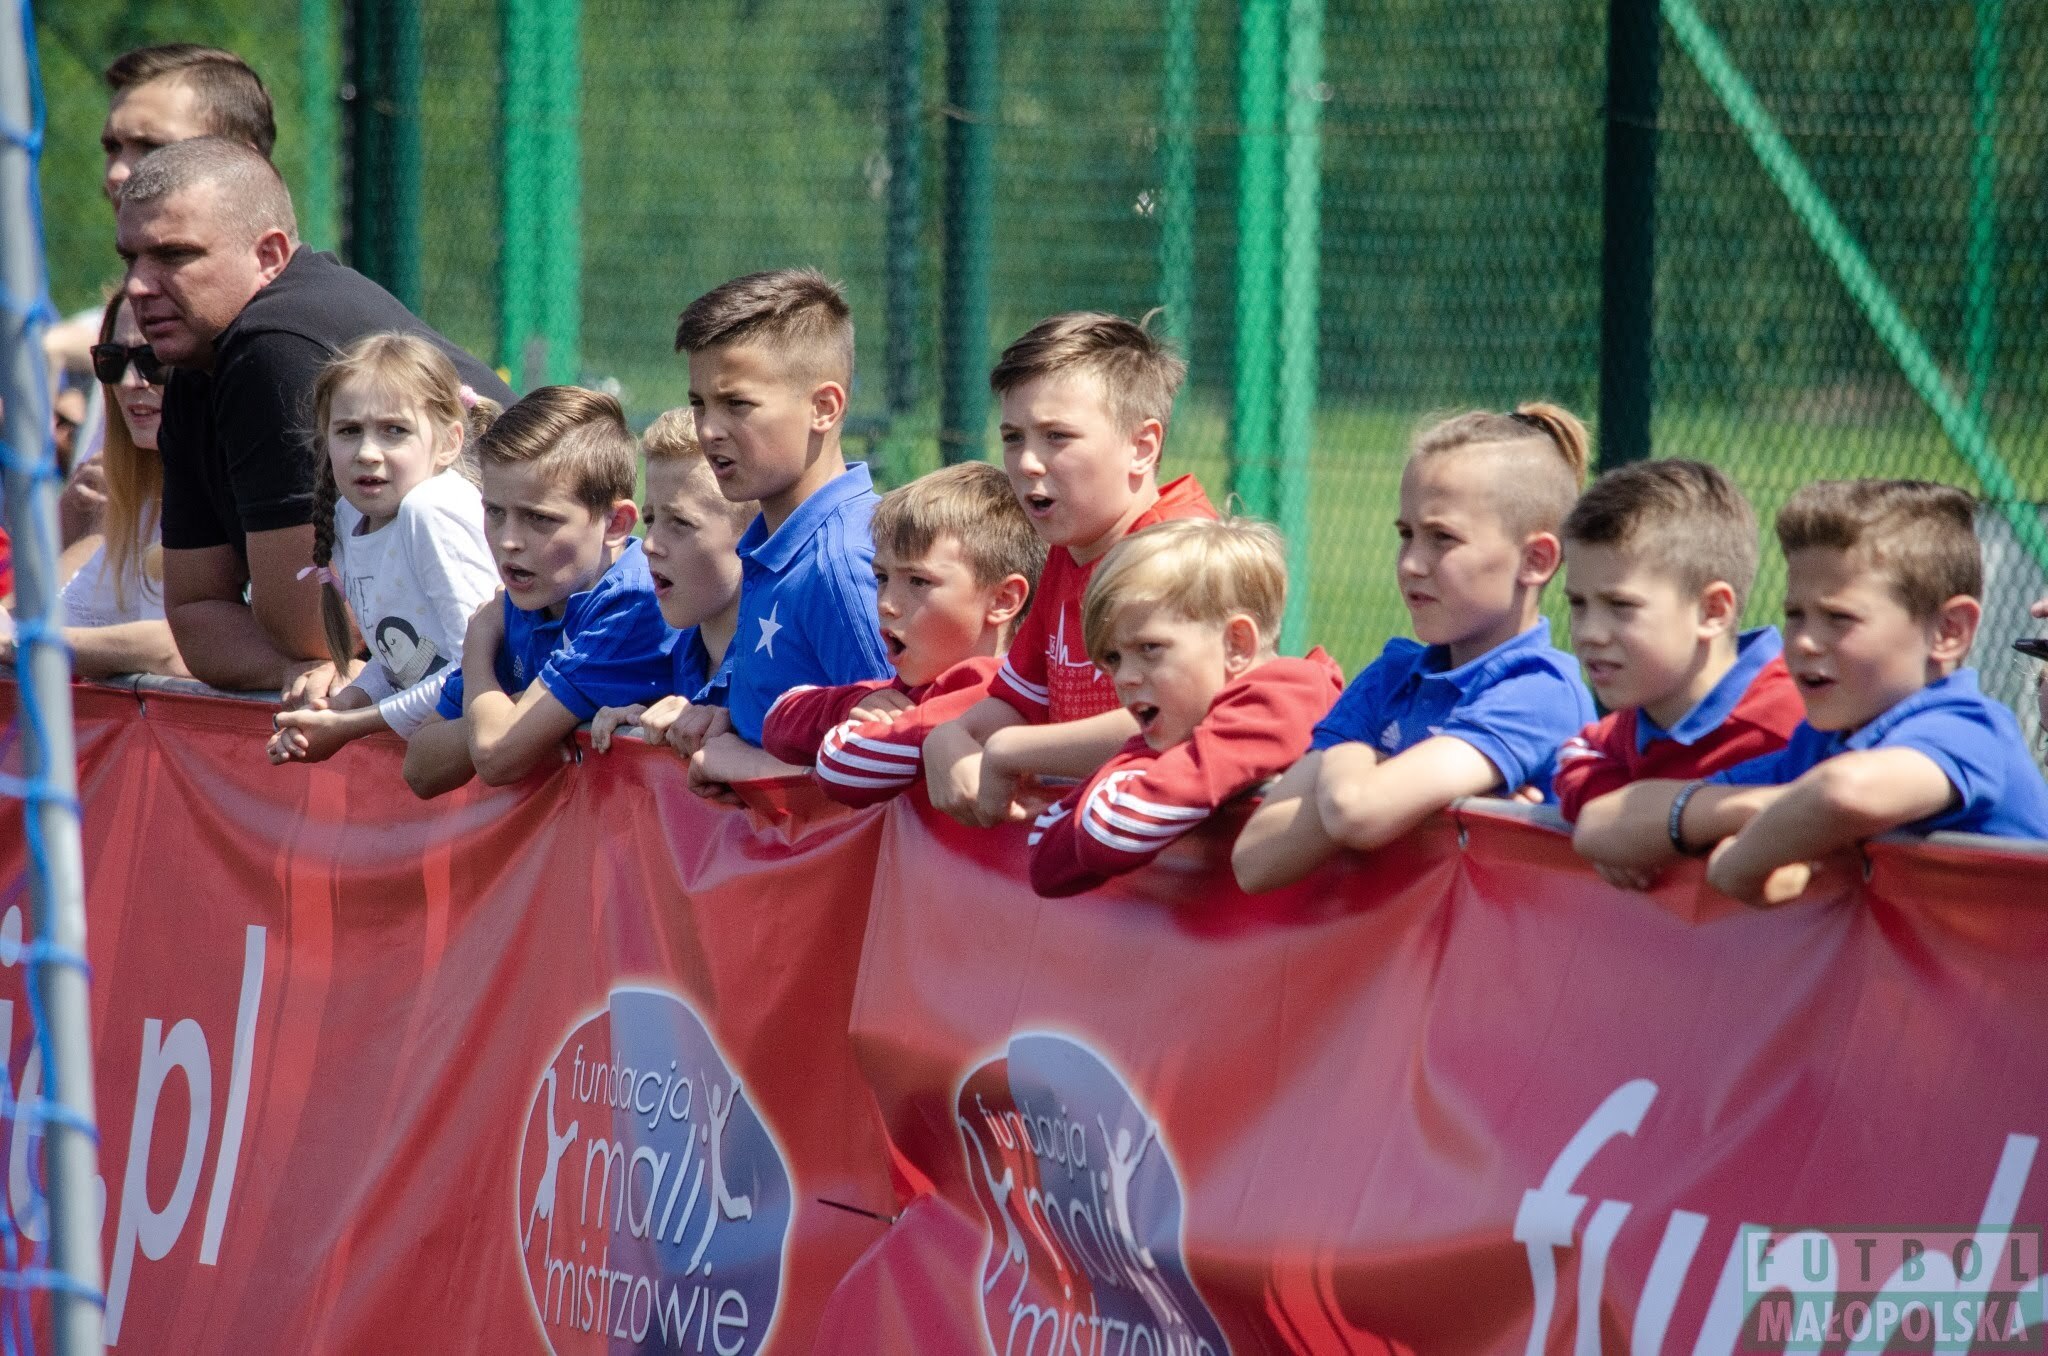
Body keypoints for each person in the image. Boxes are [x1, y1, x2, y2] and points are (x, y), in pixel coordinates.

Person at [115, 137, 512, 704]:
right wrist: (307, 669)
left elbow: (314, 629)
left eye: (174, 255)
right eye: (129, 258)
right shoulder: (196, 367)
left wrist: (336, 671)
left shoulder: (271, 346)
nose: (137, 285)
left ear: (269, 255)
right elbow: (200, 621)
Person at [1574, 479, 2048, 905]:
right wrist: (1752, 810)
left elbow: (1846, 793)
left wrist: (1741, 863)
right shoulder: (1819, 744)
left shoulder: (1969, 729)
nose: (1802, 641)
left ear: (1949, 631)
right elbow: (1600, 824)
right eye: (1795, 615)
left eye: (1839, 618)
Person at [1232, 404, 1596, 894]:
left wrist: (1365, 763)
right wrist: (1397, 785)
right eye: (1406, 535)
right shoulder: (1391, 677)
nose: (1410, 564)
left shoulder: (1538, 693)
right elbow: (1257, 859)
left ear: (1536, 559)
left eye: (1443, 538)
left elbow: (1355, 811)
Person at [925, 312, 1217, 828]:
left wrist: (1011, 750)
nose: (1027, 462)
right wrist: (949, 737)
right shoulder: (1069, 550)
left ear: (1142, 447)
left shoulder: (1181, 554)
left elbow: (1173, 724)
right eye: (1013, 437)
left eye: (1057, 436)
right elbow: (1020, 701)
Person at [1028, 518, 1342, 898]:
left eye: (1150, 648)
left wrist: (1136, 763)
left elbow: (1108, 834)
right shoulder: (1191, 731)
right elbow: (1046, 860)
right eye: (1112, 658)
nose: (1124, 677)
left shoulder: (1282, 701)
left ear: (1236, 644)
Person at [669, 269, 895, 794]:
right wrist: (725, 716)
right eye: (699, 403)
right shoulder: (773, 543)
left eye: (737, 404)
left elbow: (898, 768)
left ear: (824, 408)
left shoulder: (842, 565)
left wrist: (744, 765)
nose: (708, 430)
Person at [402, 388, 674, 798]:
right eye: (495, 512)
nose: (508, 541)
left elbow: (495, 754)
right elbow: (420, 768)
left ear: (616, 523)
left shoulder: (632, 604)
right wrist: (510, 710)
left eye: (539, 519)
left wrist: (478, 648)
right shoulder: (527, 597)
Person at [264, 335, 501, 765]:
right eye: (349, 431)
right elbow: (410, 657)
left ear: (449, 442)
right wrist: (344, 705)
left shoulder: (430, 510)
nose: (367, 453)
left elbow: (477, 670)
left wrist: (352, 725)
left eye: (395, 430)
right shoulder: (349, 515)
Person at [1551, 460, 1803, 850]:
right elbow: (1576, 752)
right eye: (1578, 604)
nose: (1588, 633)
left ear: (1712, 611)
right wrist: (1623, 816)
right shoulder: (1635, 720)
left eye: (1621, 606)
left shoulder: (1794, 720)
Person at [758, 461, 1042, 805]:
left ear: (1003, 600)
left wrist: (848, 732)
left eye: (918, 581)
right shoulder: (913, 690)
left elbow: (843, 766)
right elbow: (779, 718)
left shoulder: (993, 692)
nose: (886, 603)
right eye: (881, 578)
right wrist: (853, 705)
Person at [3, 297, 187, 679]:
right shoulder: (123, 491)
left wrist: (24, 642)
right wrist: (69, 517)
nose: (130, 381)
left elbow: (183, 645)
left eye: (153, 360)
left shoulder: (232, 488)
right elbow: (31, 609)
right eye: (112, 360)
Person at [588, 409, 757, 752]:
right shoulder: (678, 650)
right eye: (650, 519)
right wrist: (639, 722)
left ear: (753, 532)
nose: (648, 544)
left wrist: (739, 734)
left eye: (680, 523)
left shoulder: (780, 663)